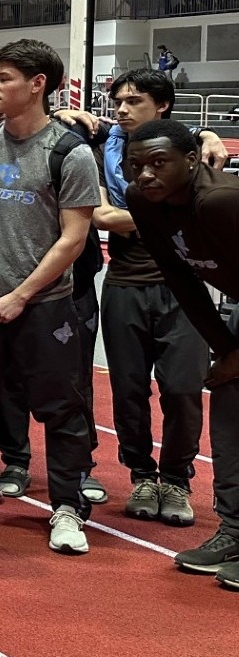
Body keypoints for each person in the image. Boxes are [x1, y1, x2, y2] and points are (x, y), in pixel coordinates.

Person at [0, 39, 100, 554]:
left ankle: (68, 506)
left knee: (61, 409)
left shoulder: (69, 152)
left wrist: (21, 296)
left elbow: (73, 239)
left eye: (4, 77)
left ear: (37, 85)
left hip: (45, 307)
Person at [122, 120, 239, 586]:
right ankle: (234, 529)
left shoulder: (221, 201)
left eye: (158, 163)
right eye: (137, 166)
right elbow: (180, 278)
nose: (146, 174)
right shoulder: (142, 200)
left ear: (191, 161)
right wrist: (226, 349)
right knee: (229, 417)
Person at [94, 73, 205, 528]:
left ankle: (176, 478)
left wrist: (134, 218)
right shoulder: (104, 149)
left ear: (162, 105)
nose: (121, 108)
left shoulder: (192, 149)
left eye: (133, 101)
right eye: (116, 101)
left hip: (186, 290)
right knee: (129, 389)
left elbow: (200, 208)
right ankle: (142, 474)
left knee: (182, 390)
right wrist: (158, 214)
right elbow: (100, 215)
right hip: (124, 283)